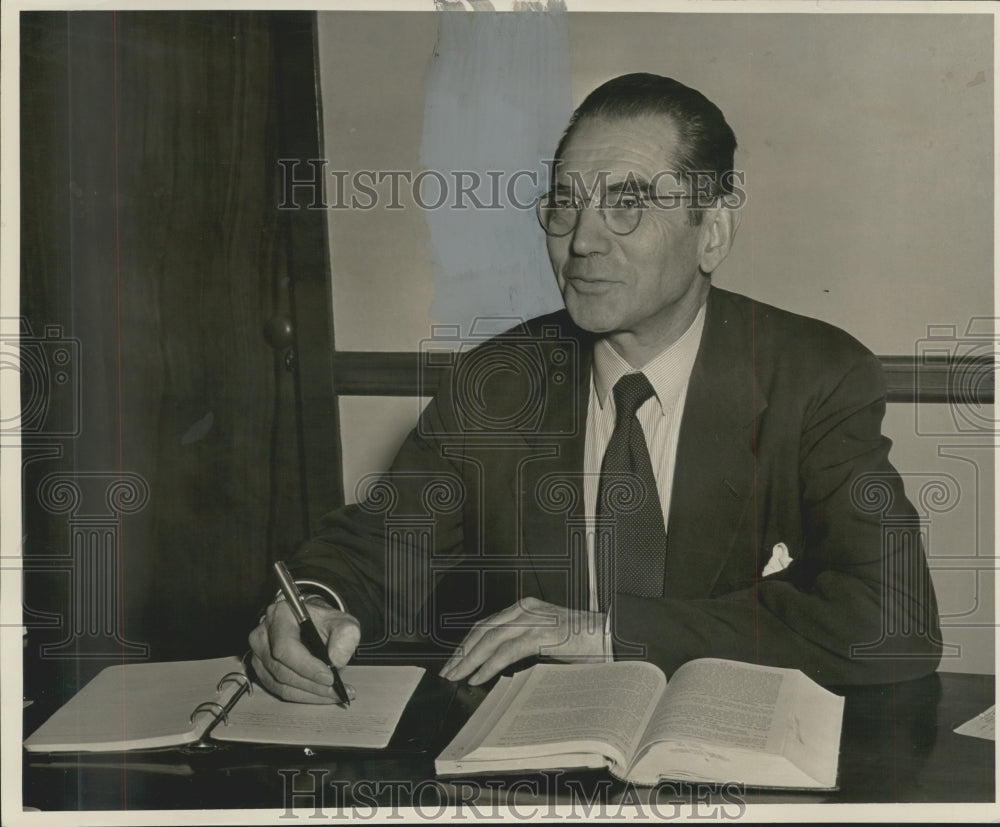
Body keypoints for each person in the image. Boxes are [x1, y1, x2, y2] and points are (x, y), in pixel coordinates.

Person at [249, 73, 942, 703]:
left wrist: (611, 630)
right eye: (565, 205)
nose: (581, 242)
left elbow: (895, 618)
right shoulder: (497, 382)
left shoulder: (812, 375)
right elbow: (378, 543)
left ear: (713, 231)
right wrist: (309, 602)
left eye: (626, 205)